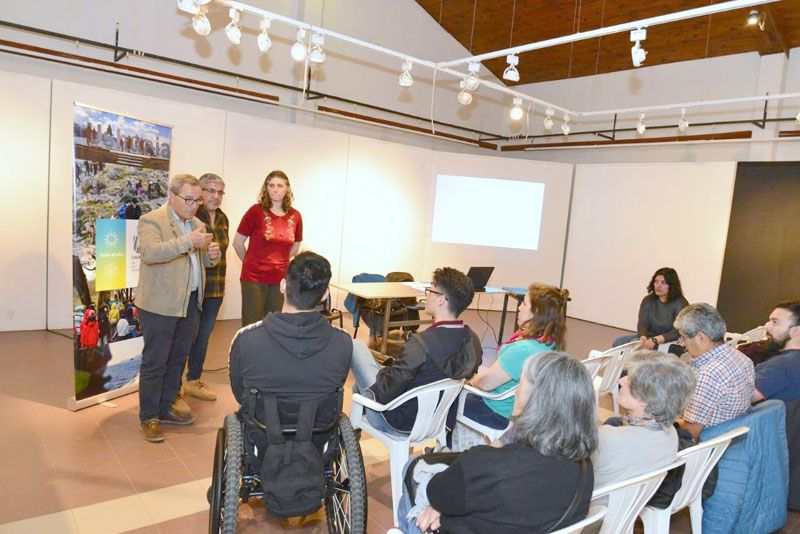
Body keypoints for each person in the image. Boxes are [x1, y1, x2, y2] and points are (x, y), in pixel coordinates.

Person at [399, 352, 597, 534]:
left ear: (536, 401)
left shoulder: (485, 466)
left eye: (521, 385)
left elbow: (436, 492)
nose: (516, 393)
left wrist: (438, 507)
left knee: (411, 472)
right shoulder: (585, 471)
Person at [135, 173, 220, 443]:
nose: (194, 205)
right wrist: (188, 242)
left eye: (197, 200)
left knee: (177, 360)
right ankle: (149, 415)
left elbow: (198, 264)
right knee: (155, 362)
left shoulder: (196, 223)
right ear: (171, 196)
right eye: (188, 199)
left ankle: (166, 406)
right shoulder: (152, 220)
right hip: (159, 305)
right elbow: (150, 253)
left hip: (189, 304)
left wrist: (211, 257)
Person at [351, 267, 482, 433]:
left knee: (356, 345)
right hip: (440, 420)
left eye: (430, 291)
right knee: (360, 384)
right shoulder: (473, 340)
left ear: (441, 299)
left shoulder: (421, 344)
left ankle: (347, 433)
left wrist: (383, 371)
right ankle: (351, 432)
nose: (426, 296)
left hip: (396, 420)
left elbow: (385, 390)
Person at [228, 251, 353, 408]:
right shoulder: (343, 341)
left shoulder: (246, 339)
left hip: (262, 428)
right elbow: (337, 384)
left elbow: (240, 393)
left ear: (283, 285)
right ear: (324, 295)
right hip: (320, 427)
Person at [462, 284, 567, 430]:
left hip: (497, 412)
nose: (519, 307)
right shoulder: (551, 343)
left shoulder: (522, 349)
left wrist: (466, 383)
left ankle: (444, 447)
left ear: (535, 312)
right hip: (525, 412)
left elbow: (485, 384)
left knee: (447, 399)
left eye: (524, 303)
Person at [592, 351, 696, 487]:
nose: (621, 380)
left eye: (629, 379)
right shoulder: (670, 433)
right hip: (633, 502)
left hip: (598, 505)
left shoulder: (606, 437)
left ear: (645, 398)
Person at [674, 303, 754, 440]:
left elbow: (691, 431)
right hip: (729, 435)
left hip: (705, 444)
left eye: (683, 338)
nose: (682, 344)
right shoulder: (742, 358)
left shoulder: (708, 374)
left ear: (701, 337)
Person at [233, 170, 303, 326]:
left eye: (280, 185)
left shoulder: (296, 216)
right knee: (252, 324)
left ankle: (269, 351)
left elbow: (296, 245)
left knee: (275, 323)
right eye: (271, 185)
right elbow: (237, 242)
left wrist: (281, 262)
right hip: (254, 278)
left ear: (287, 189)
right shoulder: (255, 211)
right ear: (266, 188)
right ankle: (249, 351)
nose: (275, 189)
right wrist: (251, 263)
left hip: (280, 279)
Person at [183, 173, 229, 403]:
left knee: (203, 336)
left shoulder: (223, 219)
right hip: (193, 289)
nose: (216, 196)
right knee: (186, 335)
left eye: (220, 192)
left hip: (216, 288)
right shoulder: (190, 217)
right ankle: (173, 386)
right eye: (210, 191)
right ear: (200, 191)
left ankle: (193, 380)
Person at [614, 267, 689, 350]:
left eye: (663, 283)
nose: (658, 286)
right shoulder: (648, 300)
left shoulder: (680, 303)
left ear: (671, 286)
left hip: (668, 339)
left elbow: (677, 332)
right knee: (618, 343)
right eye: (656, 282)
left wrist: (654, 340)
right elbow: (642, 324)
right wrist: (643, 338)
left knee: (637, 349)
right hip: (649, 336)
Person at [753, 301, 800, 402]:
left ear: (796, 331)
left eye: (775, 322)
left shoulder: (782, 365)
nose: (766, 327)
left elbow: (738, 399)